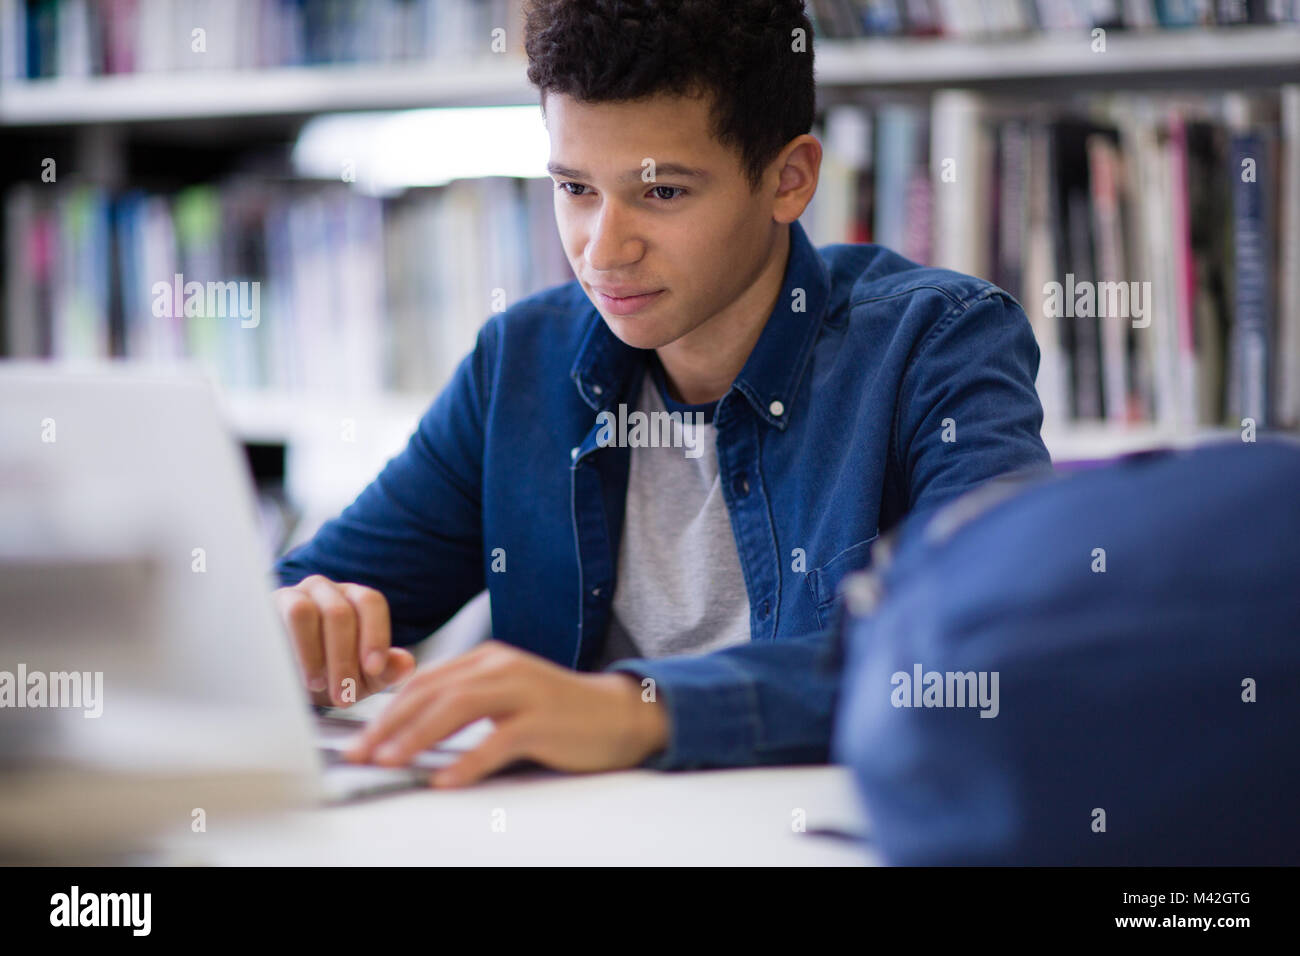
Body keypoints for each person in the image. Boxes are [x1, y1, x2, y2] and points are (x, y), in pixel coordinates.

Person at [272, 0, 1051, 787]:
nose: (603, 251)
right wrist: (293, 623)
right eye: (575, 188)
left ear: (790, 179)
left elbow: (996, 640)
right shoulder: (518, 364)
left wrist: (632, 712)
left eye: (662, 193)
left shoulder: (937, 341)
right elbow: (309, 592)